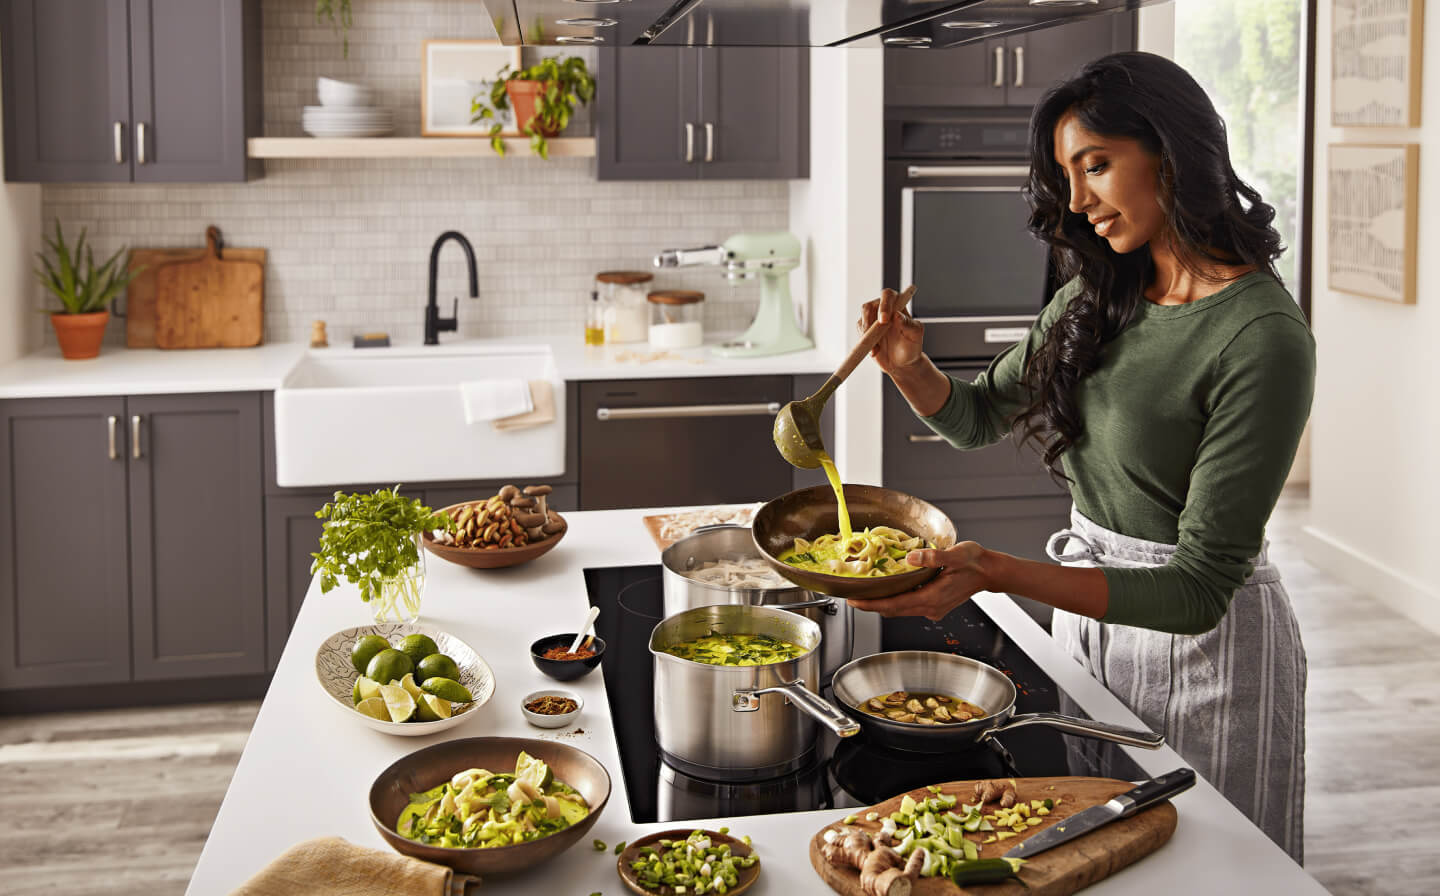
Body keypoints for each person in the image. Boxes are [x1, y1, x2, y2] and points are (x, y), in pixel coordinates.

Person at [857, 52, 1313, 864]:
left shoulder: (1262, 337)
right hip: (1093, 627)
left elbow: (1198, 588)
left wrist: (996, 570)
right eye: (1067, 175)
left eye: (1095, 165)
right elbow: (974, 418)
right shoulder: (1097, 297)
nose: (1076, 201)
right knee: (1099, 858)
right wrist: (908, 365)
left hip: (1208, 658)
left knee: (1210, 870)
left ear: (1172, 153)